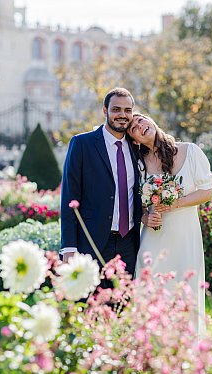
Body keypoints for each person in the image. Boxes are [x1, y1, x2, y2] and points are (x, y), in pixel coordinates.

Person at [127, 113, 212, 333]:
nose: (140, 125)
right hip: (154, 237)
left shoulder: (190, 151)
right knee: (151, 289)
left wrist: (176, 203)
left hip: (185, 236)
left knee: (185, 291)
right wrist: (146, 217)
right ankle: (151, 348)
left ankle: (185, 351)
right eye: (134, 127)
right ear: (134, 140)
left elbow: (207, 192)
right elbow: (138, 205)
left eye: (141, 119)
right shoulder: (137, 165)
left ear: (152, 121)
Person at [60, 88, 142, 285]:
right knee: (90, 302)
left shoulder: (137, 146)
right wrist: (68, 247)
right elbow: (69, 196)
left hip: (129, 242)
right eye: (116, 109)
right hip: (91, 239)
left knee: (123, 304)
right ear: (105, 110)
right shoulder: (82, 143)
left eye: (127, 110)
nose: (122, 115)